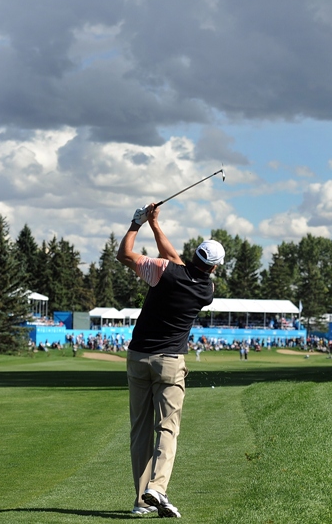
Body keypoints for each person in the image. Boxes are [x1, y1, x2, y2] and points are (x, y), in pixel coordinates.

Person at [116, 202, 225, 517]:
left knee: (140, 429)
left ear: (194, 255)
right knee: (167, 428)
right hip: (170, 362)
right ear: (214, 267)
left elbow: (126, 255)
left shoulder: (164, 271)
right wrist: (155, 225)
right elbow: (176, 261)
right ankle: (157, 488)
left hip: (137, 357)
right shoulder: (206, 290)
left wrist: (137, 224)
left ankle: (140, 502)